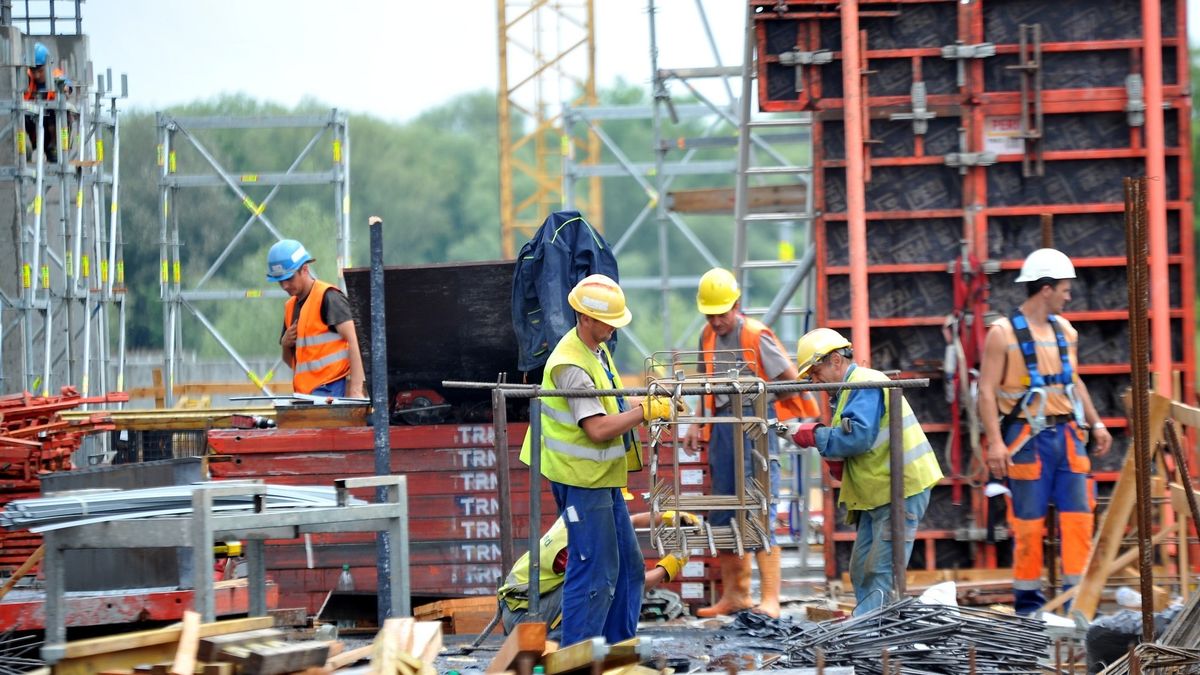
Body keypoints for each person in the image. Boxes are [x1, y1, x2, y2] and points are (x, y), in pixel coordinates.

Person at [519, 274, 675, 646]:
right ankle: (578, 654)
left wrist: (646, 402)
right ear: (585, 317)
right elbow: (598, 429)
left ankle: (618, 648)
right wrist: (645, 412)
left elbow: (611, 403)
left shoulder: (596, 350)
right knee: (592, 570)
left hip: (599, 478)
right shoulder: (570, 364)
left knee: (628, 568)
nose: (613, 328)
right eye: (608, 320)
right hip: (580, 480)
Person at [977, 248, 1112, 615]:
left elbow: (1073, 381)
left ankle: (1077, 608)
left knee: (1079, 521)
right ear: (1046, 288)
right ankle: (1029, 610)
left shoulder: (1065, 331)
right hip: (1026, 441)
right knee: (1027, 527)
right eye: (1065, 289)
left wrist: (1096, 422)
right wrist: (995, 444)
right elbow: (986, 391)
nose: (1069, 296)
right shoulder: (1002, 334)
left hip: (1068, 436)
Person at [682, 267, 817, 619]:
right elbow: (706, 385)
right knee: (724, 510)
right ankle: (736, 595)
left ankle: (770, 599)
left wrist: (763, 403)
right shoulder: (707, 336)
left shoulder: (756, 335)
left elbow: (791, 380)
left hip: (756, 426)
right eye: (710, 315)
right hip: (724, 428)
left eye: (721, 314)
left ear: (736, 305)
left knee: (759, 506)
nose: (716, 321)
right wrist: (697, 422)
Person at [788, 327, 943, 615]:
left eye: (815, 372)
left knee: (880, 570)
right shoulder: (849, 390)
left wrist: (813, 435)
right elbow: (854, 441)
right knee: (861, 568)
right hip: (880, 491)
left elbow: (857, 438)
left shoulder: (863, 385)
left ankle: (870, 630)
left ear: (836, 360)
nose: (814, 381)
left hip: (901, 488)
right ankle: (869, 625)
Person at [497, 509, 695, 639]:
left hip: (521, 603)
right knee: (598, 587)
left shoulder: (580, 515)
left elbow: (627, 521)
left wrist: (665, 517)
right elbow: (627, 585)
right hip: (522, 618)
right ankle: (561, 642)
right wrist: (670, 565)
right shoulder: (583, 546)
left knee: (597, 582)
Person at [266, 239, 365, 398]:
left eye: (289, 278)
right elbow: (292, 362)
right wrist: (285, 344)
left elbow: (356, 340)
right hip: (306, 394)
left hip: (333, 389)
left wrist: (356, 390)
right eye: (280, 281)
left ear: (304, 269)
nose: (284, 286)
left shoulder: (329, 297)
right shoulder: (290, 307)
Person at [23, 42, 73, 162]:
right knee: (20, 116)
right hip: (34, 124)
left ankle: (54, 149)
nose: (36, 75)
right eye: (33, 70)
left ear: (48, 65)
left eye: (40, 70)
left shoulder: (56, 76)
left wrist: (65, 89)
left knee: (58, 114)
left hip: (51, 126)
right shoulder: (25, 78)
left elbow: (67, 86)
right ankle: (25, 149)